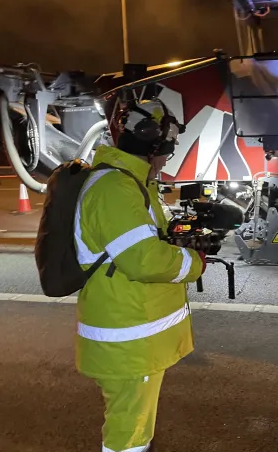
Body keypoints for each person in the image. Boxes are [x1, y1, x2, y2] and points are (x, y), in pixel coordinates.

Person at [74, 96, 207, 452]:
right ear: (153, 146)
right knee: (128, 435)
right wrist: (195, 263)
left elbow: (145, 242)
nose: (169, 156)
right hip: (128, 338)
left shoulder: (131, 183)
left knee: (134, 427)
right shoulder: (115, 188)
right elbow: (144, 260)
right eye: (168, 147)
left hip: (135, 334)